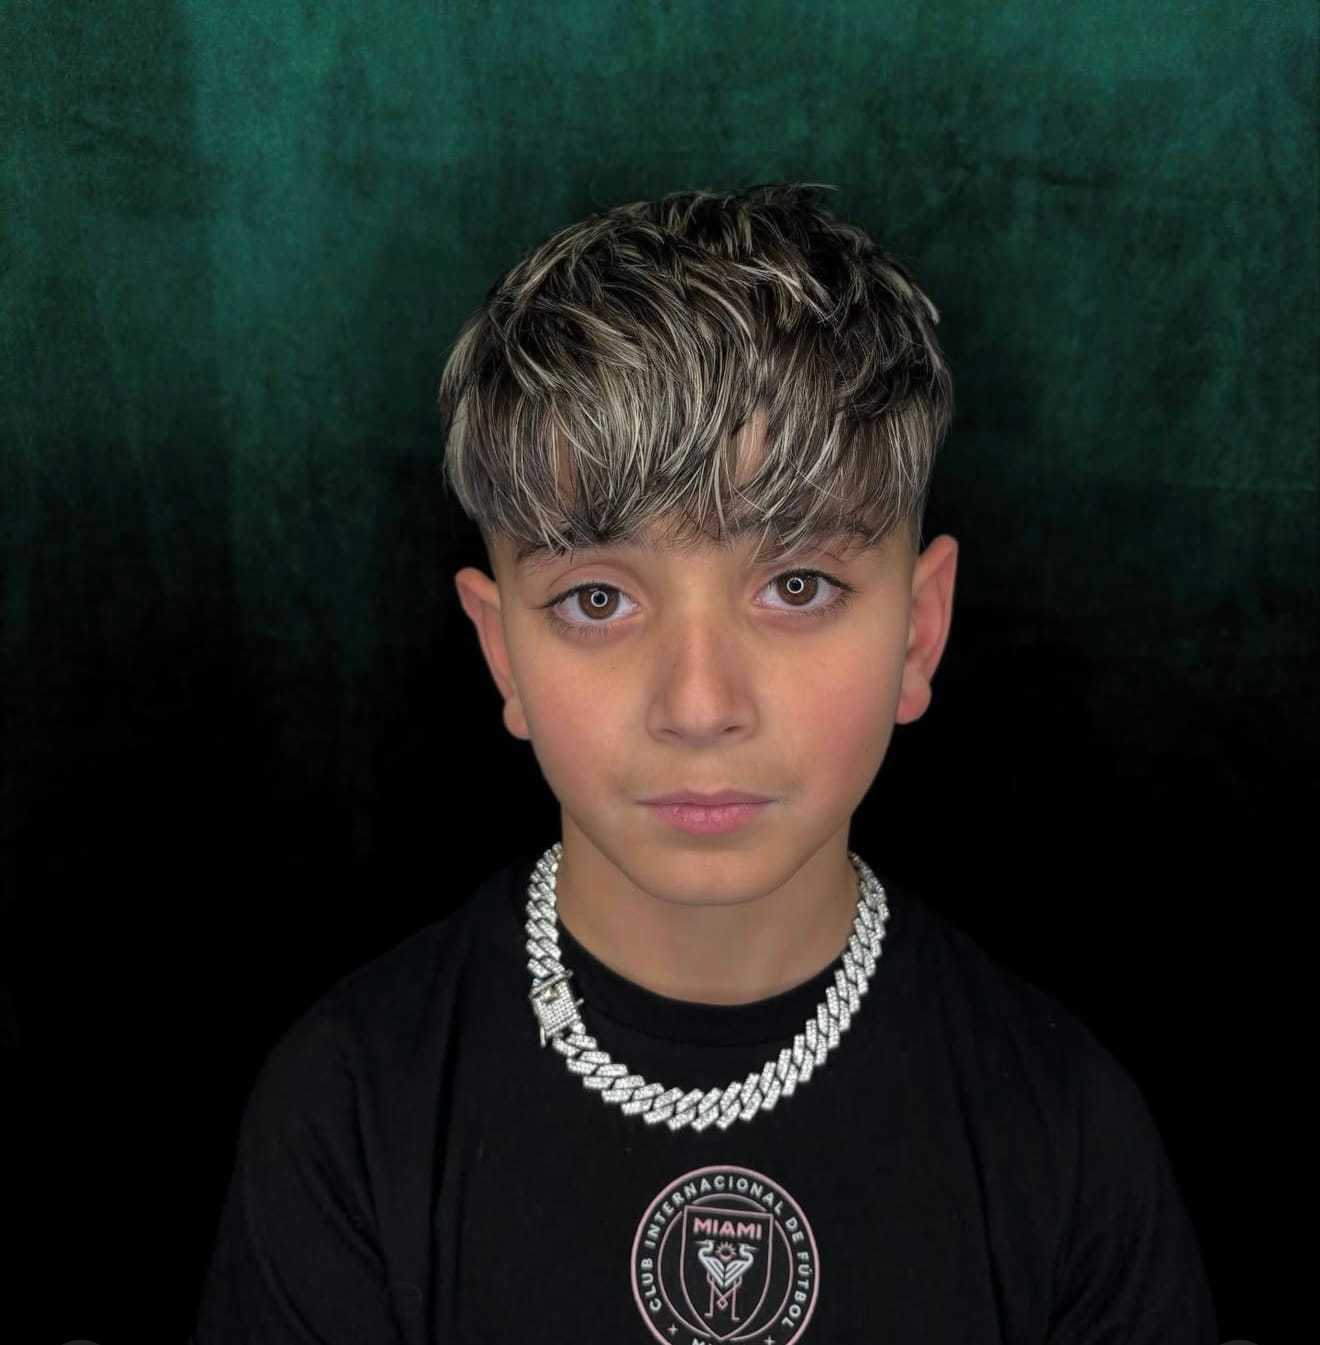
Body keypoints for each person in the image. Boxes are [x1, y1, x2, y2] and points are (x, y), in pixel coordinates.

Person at [191, 183, 1218, 1342]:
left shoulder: (1066, 1131)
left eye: (796, 586)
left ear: (919, 633)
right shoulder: (349, 1112)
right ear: (502, 652)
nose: (698, 703)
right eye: (596, 598)